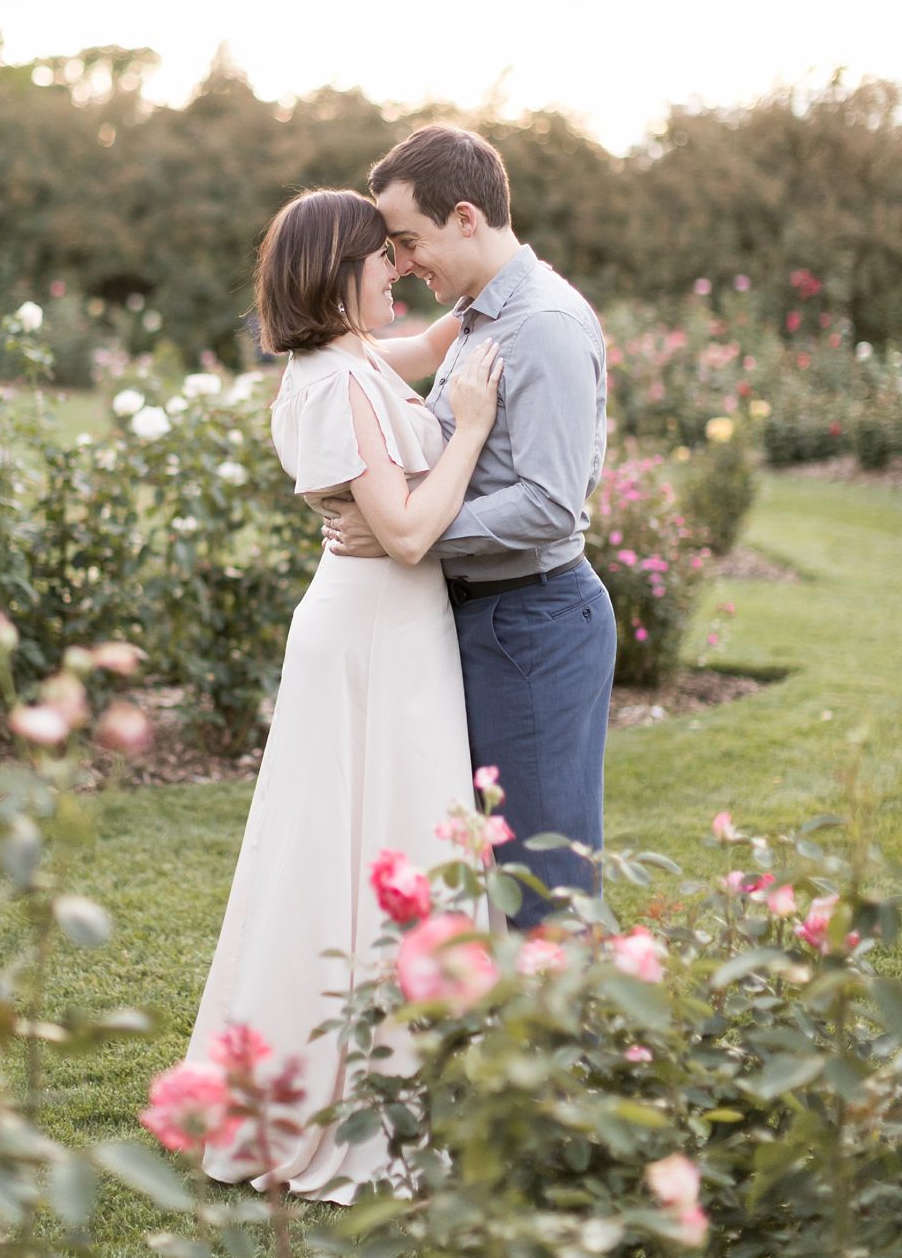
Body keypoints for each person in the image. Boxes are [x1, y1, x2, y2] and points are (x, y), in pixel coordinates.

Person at [185, 188, 500, 1198]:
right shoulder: (330, 385)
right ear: (335, 269)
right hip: (370, 626)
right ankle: (339, 1094)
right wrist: (471, 427)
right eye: (380, 257)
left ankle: (404, 1068)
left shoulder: (352, 360)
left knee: (389, 835)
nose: (394, 271)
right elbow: (405, 530)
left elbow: (422, 346)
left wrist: (490, 283)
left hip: (388, 625)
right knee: (352, 849)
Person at [322, 126, 614, 929]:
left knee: (543, 874)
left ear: (464, 217)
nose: (404, 262)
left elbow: (553, 504)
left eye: (408, 241)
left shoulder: (543, 325)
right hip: (485, 619)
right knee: (496, 869)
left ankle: (580, 1051)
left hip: (535, 621)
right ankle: (532, 1048)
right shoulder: (478, 318)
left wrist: (405, 533)